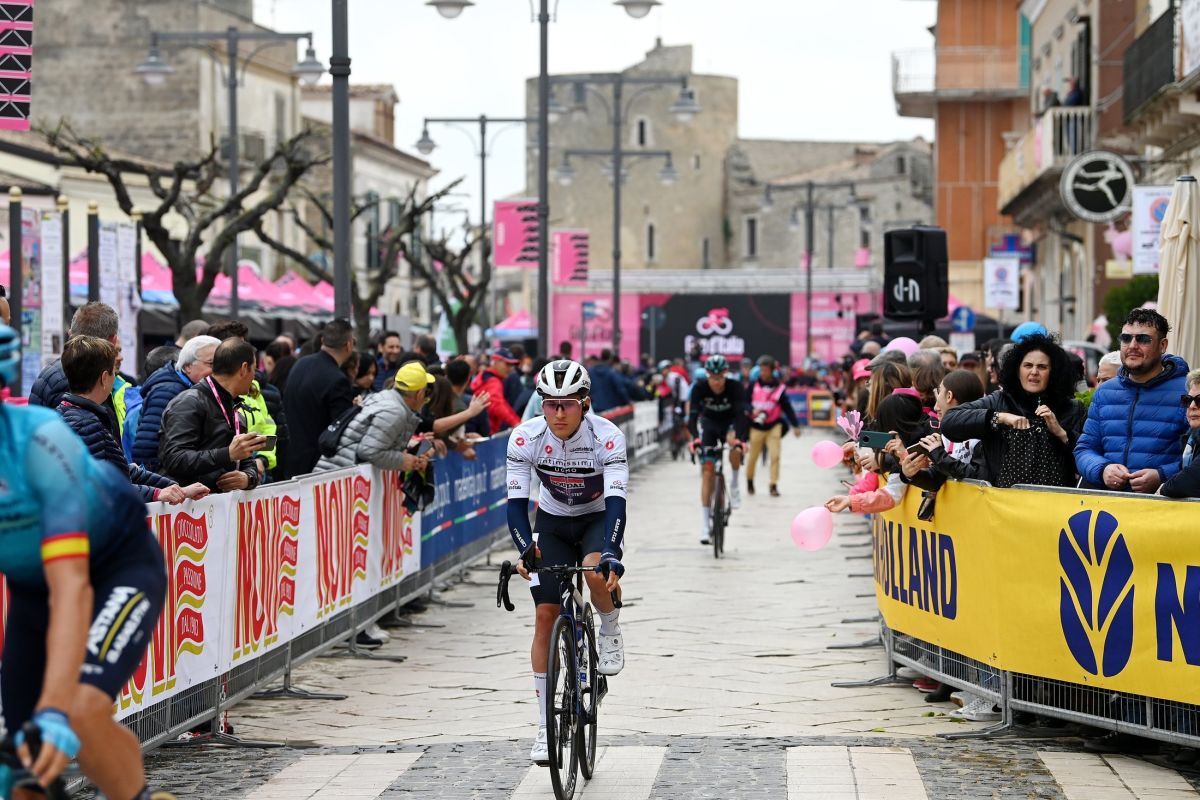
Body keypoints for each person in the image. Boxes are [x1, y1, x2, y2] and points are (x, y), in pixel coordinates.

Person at [0, 324, 176, 800]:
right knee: (22, 767)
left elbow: (72, 587)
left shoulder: (39, 443)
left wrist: (55, 707)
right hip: (34, 586)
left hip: (115, 569)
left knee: (78, 711)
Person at [505, 360, 627, 765]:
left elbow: (617, 503)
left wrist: (611, 551)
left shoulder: (607, 437)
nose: (558, 413)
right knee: (545, 616)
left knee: (595, 572)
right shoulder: (525, 437)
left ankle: (609, 628)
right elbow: (516, 506)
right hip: (553, 522)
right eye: (550, 404)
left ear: (585, 403)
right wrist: (525, 548)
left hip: (596, 518)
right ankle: (544, 727)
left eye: (568, 404)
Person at [56, 335, 206, 506]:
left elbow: (120, 470)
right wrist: (156, 493)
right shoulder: (85, 424)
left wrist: (175, 489)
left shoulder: (67, 414)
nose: (115, 378)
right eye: (114, 373)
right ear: (104, 378)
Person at [942, 334, 1085, 488]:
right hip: (1002, 501)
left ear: (1054, 372)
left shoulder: (1072, 409)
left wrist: (1062, 433)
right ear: (1017, 370)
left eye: (1042, 367)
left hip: (1055, 501)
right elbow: (950, 421)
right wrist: (998, 417)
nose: (1034, 372)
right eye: (1028, 365)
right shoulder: (999, 401)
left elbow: (1086, 462)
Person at [1075, 309, 1190, 493]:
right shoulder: (1105, 392)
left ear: (1163, 345)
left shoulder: (1188, 392)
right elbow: (1084, 449)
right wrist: (1102, 469)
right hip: (1110, 504)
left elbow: (1195, 457)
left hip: (1165, 503)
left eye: (1143, 339)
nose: (1132, 345)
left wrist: (1162, 475)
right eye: (1126, 338)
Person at [158, 339, 267, 493]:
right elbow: (174, 459)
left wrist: (247, 478)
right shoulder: (189, 402)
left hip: (220, 504)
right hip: (189, 505)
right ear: (243, 369)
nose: (254, 377)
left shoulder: (234, 407)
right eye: (254, 370)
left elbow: (247, 462)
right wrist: (227, 454)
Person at [30, 303, 142, 442]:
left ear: (71, 334)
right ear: (113, 340)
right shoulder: (80, 377)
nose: (120, 357)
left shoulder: (58, 372)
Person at [315, 361, 434, 475]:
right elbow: (369, 451)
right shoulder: (394, 411)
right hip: (340, 478)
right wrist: (402, 461)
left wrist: (408, 455)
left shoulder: (382, 398)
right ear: (420, 393)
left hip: (333, 475)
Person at [281, 318, 357, 479]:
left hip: (290, 457)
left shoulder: (300, 364)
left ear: (322, 340)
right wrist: (355, 411)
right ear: (349, 345)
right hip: (318, 466)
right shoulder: (338, 380)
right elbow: (342, 429)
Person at [133, 335, 220, 473]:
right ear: (188, 366)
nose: (219, 370)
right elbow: (146, 446)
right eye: (211, 363)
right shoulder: (168, 392)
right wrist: (160, 481)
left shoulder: (198, 390)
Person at [687, 355, 749, 544]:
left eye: (720, 378)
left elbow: (741, 416)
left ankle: (735, 484)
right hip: (710, 425)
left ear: (725, 374)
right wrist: (695, 438)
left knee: (734, 446)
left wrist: (740, 440)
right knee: (707, 471)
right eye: (713, 378)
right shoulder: (699, 388)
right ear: (707, 376)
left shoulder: (735, 387)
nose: (716, 382)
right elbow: (692, 417)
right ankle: (705, 525)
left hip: (730, 424)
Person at [745, 356, 800, 497]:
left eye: (766, 370)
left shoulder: (780, 388)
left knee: (775, 456)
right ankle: (750, 481)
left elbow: (787, 407)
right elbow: (744, 403)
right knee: (753, 457)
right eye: (761, 370)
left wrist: (795, 425)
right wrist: (752, 410)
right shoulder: (753, 385)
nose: (763, 373)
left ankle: (773, 485)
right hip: (756, 426)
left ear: (772, 370)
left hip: (774, 425)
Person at [1158, 369, 1200, 499]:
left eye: (1199, 400)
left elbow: (1185, 484)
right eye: (1188, 399)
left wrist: (1163, 488)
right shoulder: (1192, 439)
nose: (1192, 406)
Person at [471, 347, 521, 433]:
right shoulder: (493, 381)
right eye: (507, 364)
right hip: (485, 431)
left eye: (511, 365)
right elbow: (497, 405)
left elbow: (501, 403)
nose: (510, 368)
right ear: (496, 362)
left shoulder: (484, 375)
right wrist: (517, 423)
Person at [447, 358, 490, 439]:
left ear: (447, 376)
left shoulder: (437, 399)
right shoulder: (476, 404)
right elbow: (484, 434)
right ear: (468, 378)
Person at [587, 348, 631, 413]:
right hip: (610, 410)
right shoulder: (612, 372)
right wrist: (628, 402)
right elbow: (620, 389)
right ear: (610, 358)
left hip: (594, 408)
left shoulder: (590, 371)